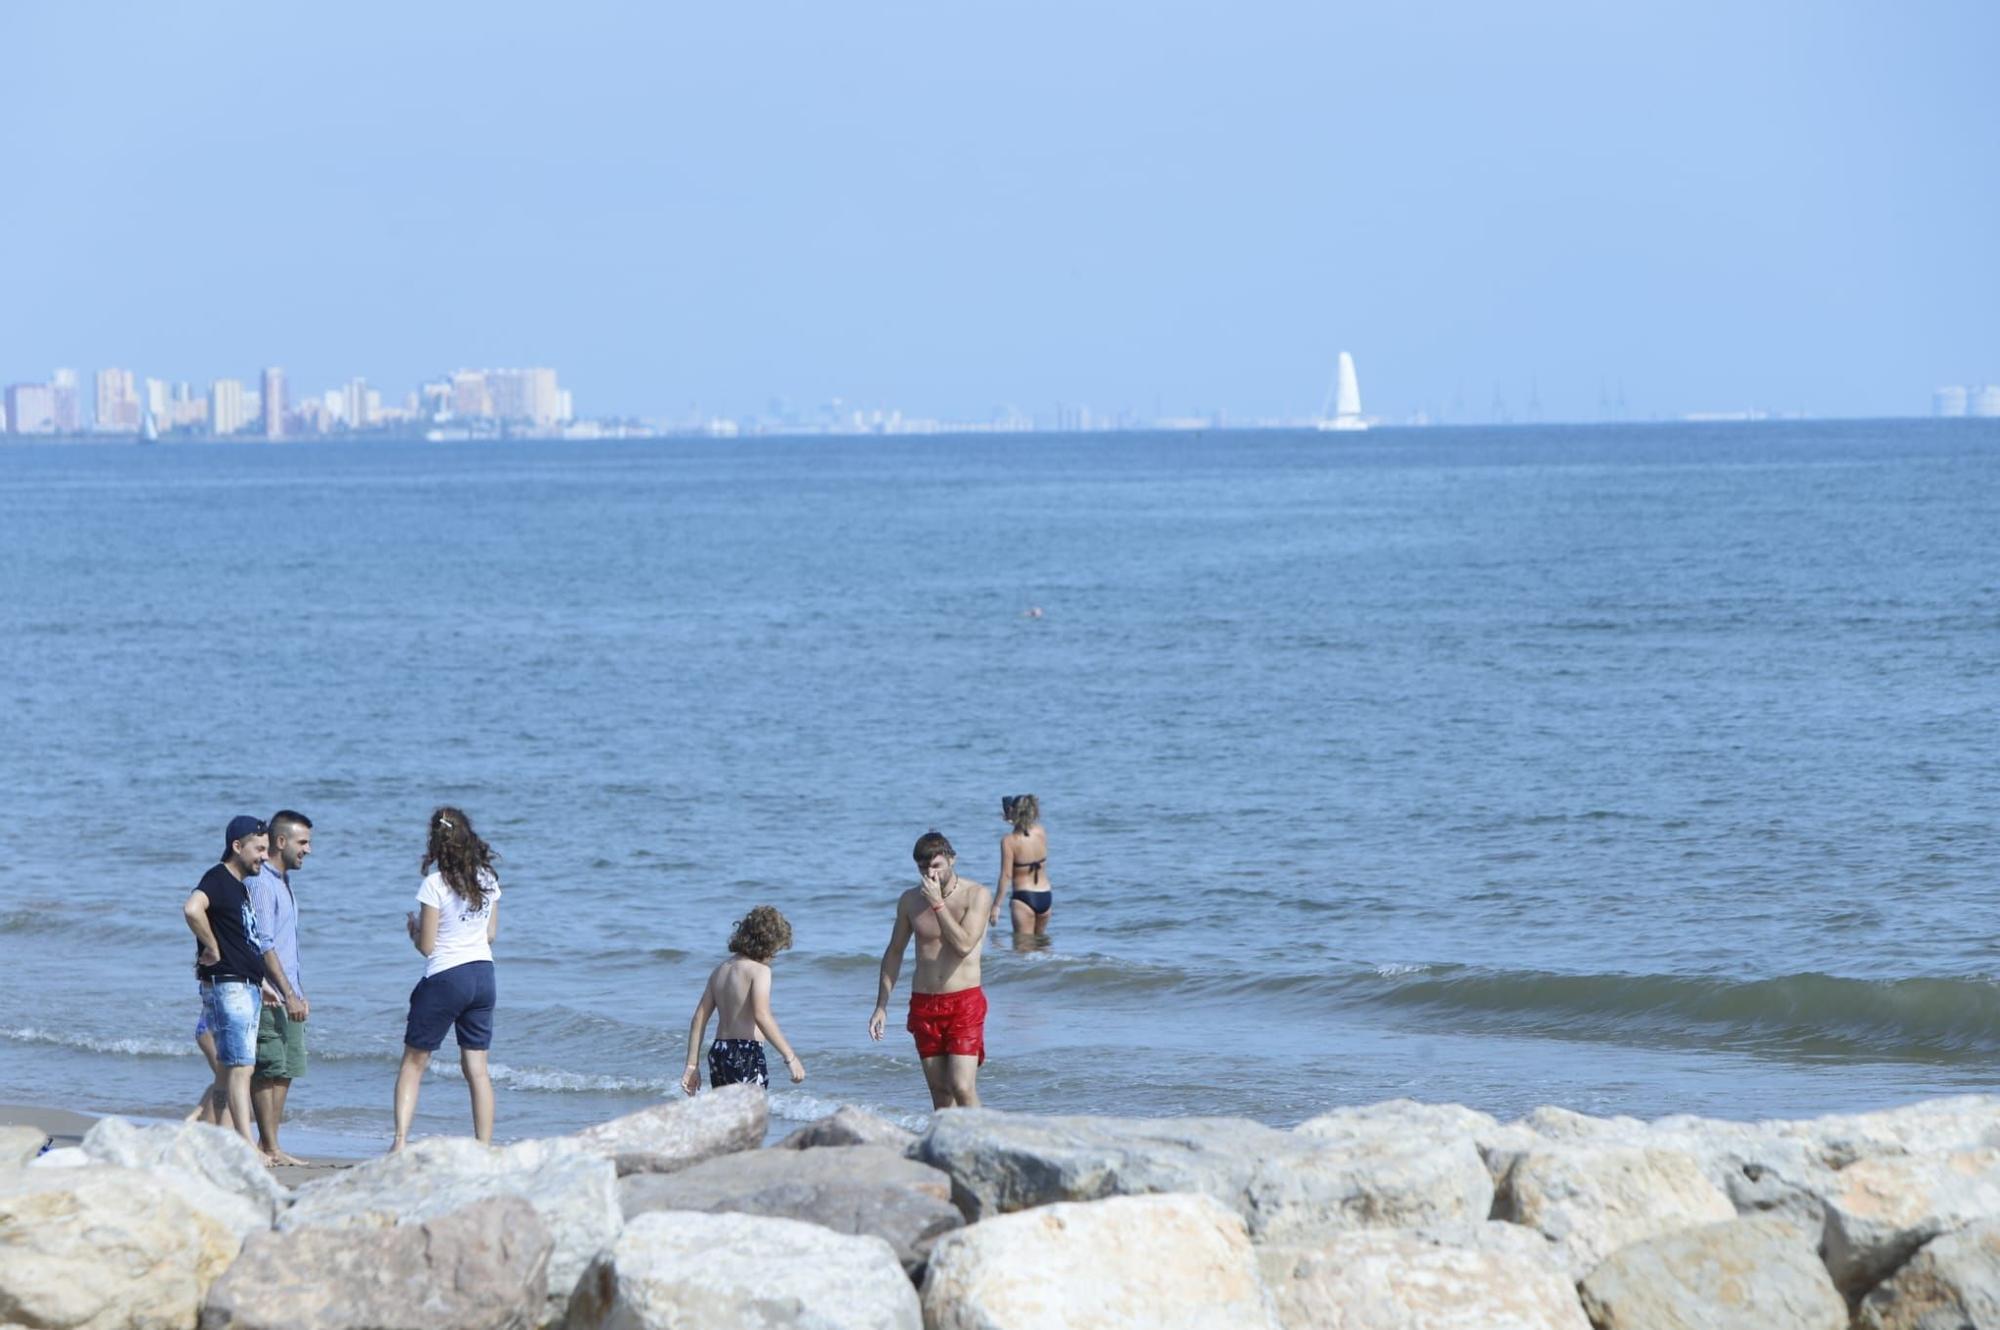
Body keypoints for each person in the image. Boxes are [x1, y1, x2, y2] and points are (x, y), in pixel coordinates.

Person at [181, 816, 309, 1147]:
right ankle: (248, 1146)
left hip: (243, 984)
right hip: (230, 987)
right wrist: (210, 946)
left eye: (266, 850)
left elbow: (246, 941)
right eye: (259, 849)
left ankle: (222, 1141)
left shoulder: (238, 885)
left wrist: (262, 983)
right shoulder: (218, 878)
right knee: (241, 1070)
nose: (264, 857)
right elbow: (192, 908)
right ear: (237, 846)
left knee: (227, 1072)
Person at [392, 807, 500, 1151]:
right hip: (483, 974)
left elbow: (427, 947)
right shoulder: (488, 879)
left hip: (446, 976)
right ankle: (483, 1145)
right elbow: (491, 935)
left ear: (436, 844)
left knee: (414, 1061)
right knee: (477, 1069)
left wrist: (414, 932)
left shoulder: (434, 884)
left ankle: (400, 1141)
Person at [869, 830, 993, 1110]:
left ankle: (984, 1142)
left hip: (964, 1002)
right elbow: (894, 952)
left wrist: (938, 903)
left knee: (962, 1086)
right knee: (940, 1092)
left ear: (952, 860)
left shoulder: (977, 895)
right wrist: (881, 1006)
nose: (930, 874)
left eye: (936, 866)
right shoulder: (910, 900)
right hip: (925, 1003)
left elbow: (963, 945)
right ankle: (945, 1149)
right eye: (923, 868)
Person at [679, 906, 806, 1095]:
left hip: (719, 1053)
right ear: (767, 944)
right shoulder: (759, 971)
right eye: (775, 951)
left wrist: (691, 1065)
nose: (773, 957)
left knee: (728, 1113)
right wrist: (790, 1057)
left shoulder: (720, 970)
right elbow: (762, 1016)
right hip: (746, 1053)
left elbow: (698, 1019)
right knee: (749, 1116)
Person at [248, 809, 312, 1164]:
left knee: (287, 1067)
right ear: (281, 842)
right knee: (269, 1067)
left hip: (289, 990)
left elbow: (287, 946)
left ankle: (269, 1144)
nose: (308, 850)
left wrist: (299, 991)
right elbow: (264, 943)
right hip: (271, 994)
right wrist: (286, 992)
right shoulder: (261, 883)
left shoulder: (283, 882)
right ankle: (267, 1146)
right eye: (303, 842)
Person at [989, 794, 1053, 937]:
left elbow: (1006, 876)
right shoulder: (1041, 831)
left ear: (1012, 811)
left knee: (1023, 951)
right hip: (1046, 895)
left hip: (1024, 898)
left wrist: (996, 906)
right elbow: (1025, 830)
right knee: (1041, 945)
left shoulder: (1009, 841)